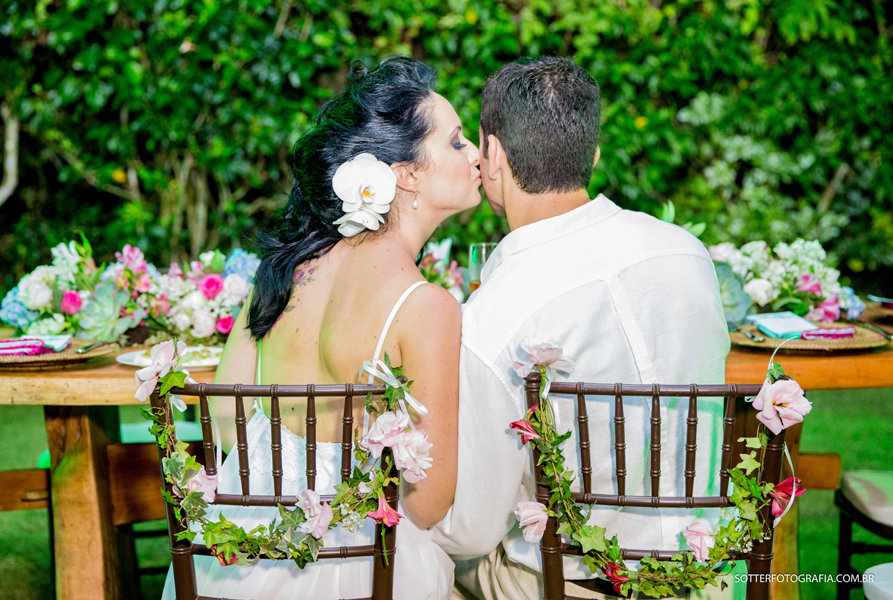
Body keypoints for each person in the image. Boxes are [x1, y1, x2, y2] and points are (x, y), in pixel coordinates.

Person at [161, 56, 481, 600]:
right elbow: (427, 504)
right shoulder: (424, 306)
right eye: (456, 142)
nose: (477, 153)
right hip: (362, 570)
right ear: (405, 175)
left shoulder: (280, 274)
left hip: (237, 561)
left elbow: (223, 420)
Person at [431, 57, 734, 599]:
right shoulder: (687, 253)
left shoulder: (496, 316)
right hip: (702, 579)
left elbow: (472, 529)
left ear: (492, 155)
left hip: (560, 584)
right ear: (591, 155)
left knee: (421, 564)